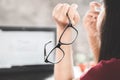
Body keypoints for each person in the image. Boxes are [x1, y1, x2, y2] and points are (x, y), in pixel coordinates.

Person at [52, 0, 120, 80]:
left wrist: (63, 28)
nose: (99, 15)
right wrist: (93, 37)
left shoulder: (109, 70)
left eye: (103, 8)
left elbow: (106, 71)